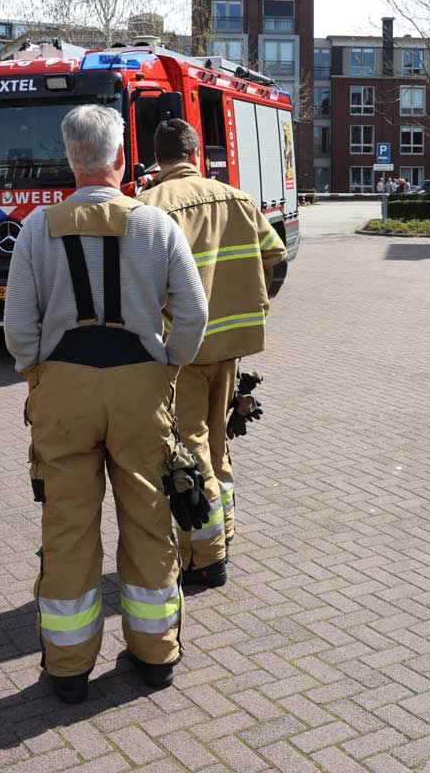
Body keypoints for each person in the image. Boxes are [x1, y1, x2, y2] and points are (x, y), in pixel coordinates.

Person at [4, 105, 209, 703]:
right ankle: (155, 654)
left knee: (67, 527)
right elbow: (193, 314)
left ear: (71, 158)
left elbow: (19, 326)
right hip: (141, 384)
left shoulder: (37, 228)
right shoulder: (156, 226)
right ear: (120, 159)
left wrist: (36, 373)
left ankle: (68, 667)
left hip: (62, 388)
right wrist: (169, 361)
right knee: (148, 519)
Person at [139, 120, 287, 587]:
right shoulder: (237, 198)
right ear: (197, 151)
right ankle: (225, 530)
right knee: (217, 444)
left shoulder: (149, 207)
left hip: (181, 350)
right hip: (232, 346)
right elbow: (275, 257)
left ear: (157, 158)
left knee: (189, 447)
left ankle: (206, 555)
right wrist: (252, 305)